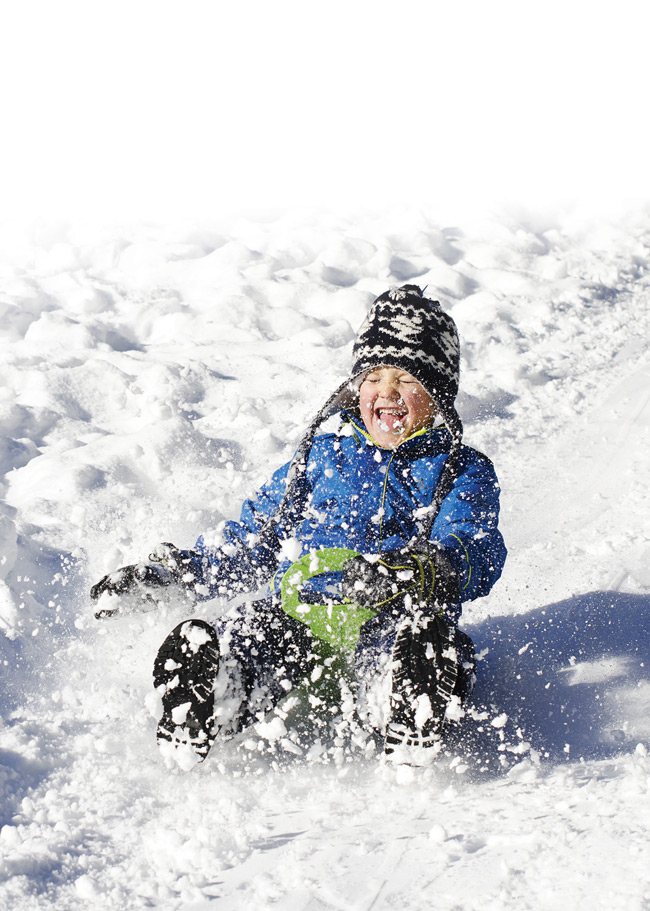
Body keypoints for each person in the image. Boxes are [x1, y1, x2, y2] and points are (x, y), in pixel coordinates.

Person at [91, 284, 507, 765]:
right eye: (374, 377)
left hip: (389, 614)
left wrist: (430, 567)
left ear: (437, 394)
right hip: (300, 615)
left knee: (429, 640)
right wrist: (174, 573)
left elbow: (476, 542)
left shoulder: (460, 469)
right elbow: (255, 539)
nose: (386, 393)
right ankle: (216, 690)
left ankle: (403, 700)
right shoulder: (321, 455)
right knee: (248, 631)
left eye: (406, 380)